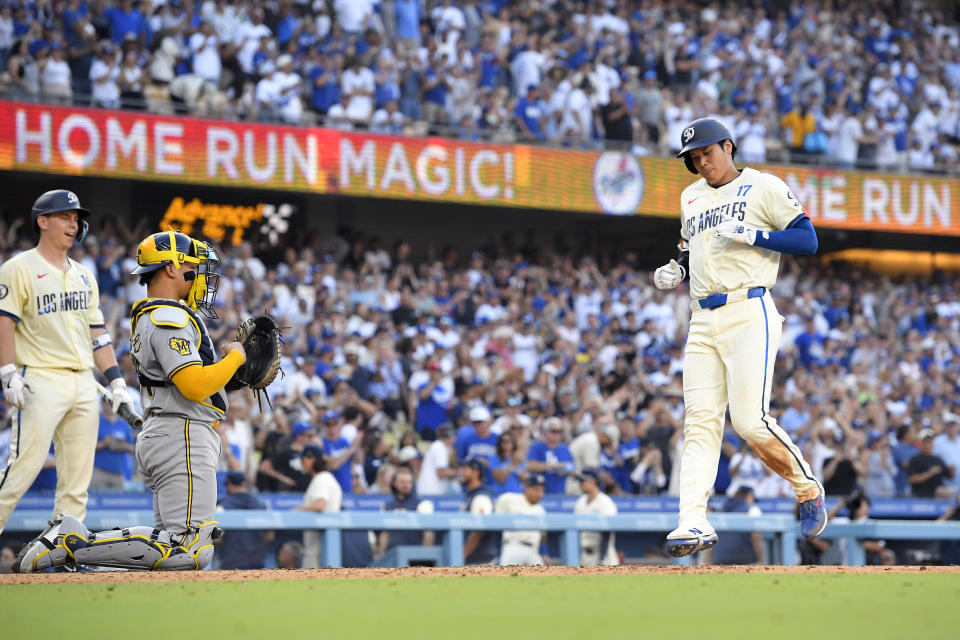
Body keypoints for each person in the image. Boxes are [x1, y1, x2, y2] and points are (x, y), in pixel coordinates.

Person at [15, 230, 245, 572]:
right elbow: (195, 385)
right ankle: (73, 542)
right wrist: (236, 358)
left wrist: (234, 374)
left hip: (174, 429)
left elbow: (198, 386)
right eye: (192, 268)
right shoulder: (170, 317)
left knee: (170, 545)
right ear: (170, 268)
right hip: (182, 434)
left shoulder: (159, 315)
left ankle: (78, 546)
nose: (199, 276)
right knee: (189, 549)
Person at [654, 118, 827, 558]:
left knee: (749, 422)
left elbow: (807, 240)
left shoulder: (763, 186)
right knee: (699, 422)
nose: (701, 162)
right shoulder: (690, 197)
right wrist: (677, 268)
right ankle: (692, 521)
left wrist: (755, 235)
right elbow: (688, 245)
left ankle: (806, 488)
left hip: (750, 309)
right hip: (702, 318)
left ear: (728, 147)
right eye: (694, 158)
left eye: (707, 153)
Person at [0, 190, 134, 536]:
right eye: (64, 217)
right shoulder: (17, 267)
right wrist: (7, 372)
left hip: (84, 381)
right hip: (39, 378)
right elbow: (4, 322)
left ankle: (63, 549)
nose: (73, 224)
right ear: (42, 221)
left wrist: (117, 381)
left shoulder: (84, 274)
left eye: (76, 218)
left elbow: (98, 334)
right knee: (21, 469)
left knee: (77, 480)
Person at [294, 444, 343, 568]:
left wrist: (297, 510)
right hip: (322, 545)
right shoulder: (324, 477)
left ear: (312, 459)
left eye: (304, 459)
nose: (302, 462)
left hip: (318, 549)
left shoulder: (322, 478)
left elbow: (320, 504)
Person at [215, 471, 270, 570]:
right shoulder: (261, 505)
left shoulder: (223, 506)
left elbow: (217, 538)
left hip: (232, 562)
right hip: (257, 561)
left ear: (230, 485)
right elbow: (270, 536)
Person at [376, 466, 434, 558]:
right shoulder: (387, 505)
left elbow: (428, 534)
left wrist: (425, 558)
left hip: (414, 556)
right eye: (402, 482)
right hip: (391, 555)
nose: (406, 485)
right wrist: (381, 556)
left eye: (409, 482)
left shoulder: (422, 504)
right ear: (394, 483)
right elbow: (384, 534)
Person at [494, 473, 547, 566]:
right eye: (536, 490)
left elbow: (543, 537)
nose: (540, 494)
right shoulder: (509, 499)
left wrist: (544, 554)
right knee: (507, 577)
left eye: (542, 491)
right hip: (513, 546)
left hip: (533, 550)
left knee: (542, 577)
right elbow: (495, 520)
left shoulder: (541, 510)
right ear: (526, 488)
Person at [573, 469, 618, 566]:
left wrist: (602, 558)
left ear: (593, 481)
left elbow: (607, 531)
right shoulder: (580, 502)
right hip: (585, 555)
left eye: (583, 481)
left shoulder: (605, 502)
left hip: (604, 555)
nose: (580, 484)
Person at [711, 486, 765, 565]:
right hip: (745, 561)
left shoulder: (720, 510)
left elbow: (709, 540)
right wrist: (762, 562)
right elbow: (756, 536)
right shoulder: (752, 510)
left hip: (719, 561)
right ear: (749, 496)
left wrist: (709, 565)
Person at [459, 457, 498, 565]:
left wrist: (461, 556)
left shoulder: (481, 497)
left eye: (465, 469)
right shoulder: (471, 495)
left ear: (476, 472)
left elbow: (479, 530)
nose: (461, 472)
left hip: (481, 561)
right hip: (473, 560)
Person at [907, 428, 953, 498]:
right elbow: (911, 479)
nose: (928, 445)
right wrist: (930, 473)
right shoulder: (915, 459)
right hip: (920, 498)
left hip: (937, 498)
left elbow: (949, 476)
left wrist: (952, 470)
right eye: (926, 442)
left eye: (930, 442)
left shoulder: (938, 459)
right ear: (921, 444)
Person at [418, 423, 458, 495]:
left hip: (428, 491)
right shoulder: (440, 447)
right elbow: (441, 473)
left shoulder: (437, 446)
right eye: (454, 435)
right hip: (431, 492)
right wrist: (458, 472)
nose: (455, 439)